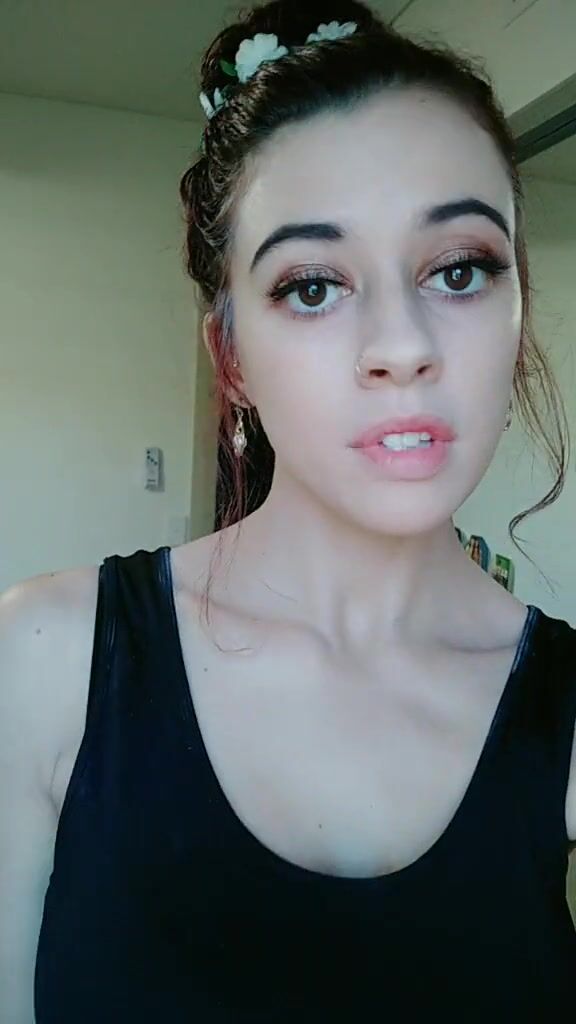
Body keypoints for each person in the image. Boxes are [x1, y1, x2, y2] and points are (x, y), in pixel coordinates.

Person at [1, 0, 576, 1020]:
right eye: (313, 286)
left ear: (517, 304)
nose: (402, 346)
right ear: (231, 356)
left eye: (458, 270)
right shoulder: (43, 661)